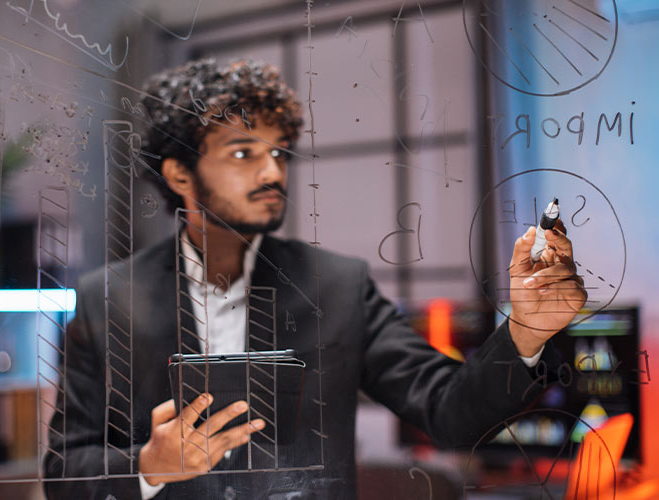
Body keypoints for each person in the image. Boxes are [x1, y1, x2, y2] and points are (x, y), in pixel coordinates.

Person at [42, 59, 586, 499]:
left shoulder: (337, 286)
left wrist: (525, 333)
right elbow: (65, 471)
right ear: (180, 174)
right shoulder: (109, 299)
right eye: (243, 152)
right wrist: (148, 465)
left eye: (279, 153)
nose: (273, 172)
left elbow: (449, 412)